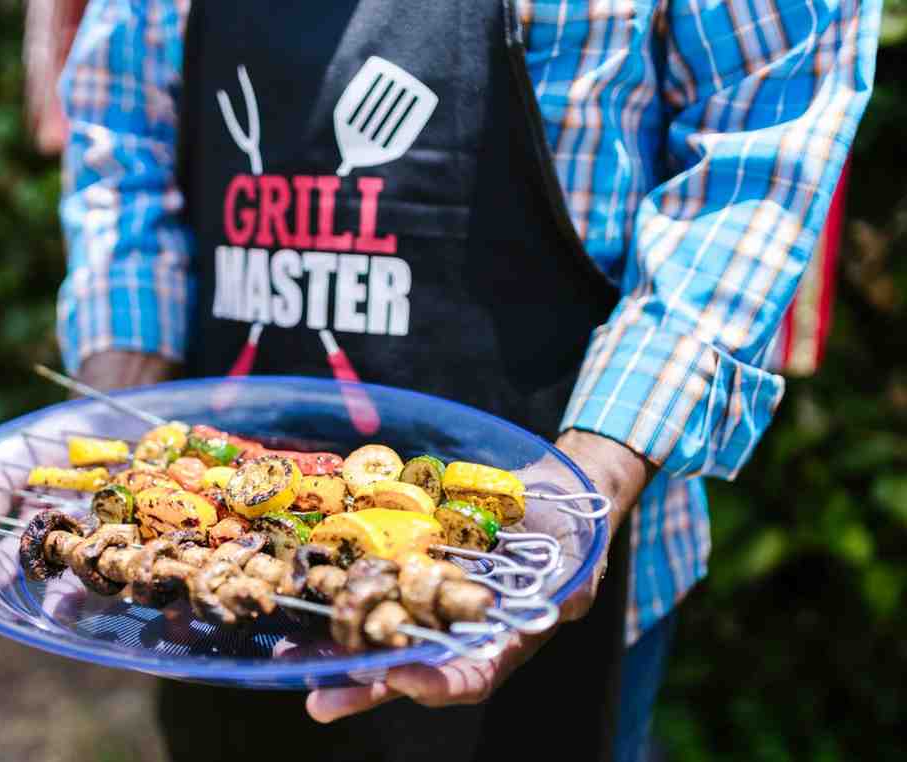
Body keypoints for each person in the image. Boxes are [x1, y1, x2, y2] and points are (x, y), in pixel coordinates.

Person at [52, 1, 879, 759]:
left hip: (536, 558)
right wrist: (120, 416)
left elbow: (757, 153)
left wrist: (592, 481)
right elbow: (124, 136)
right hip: (218, 570)